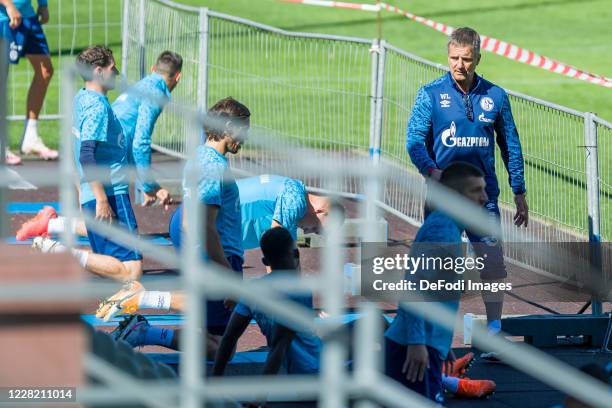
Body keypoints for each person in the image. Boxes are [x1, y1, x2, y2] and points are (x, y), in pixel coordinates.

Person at [406, 27, 528, 360]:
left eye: (467, 60)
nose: (459, 65)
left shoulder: (496, 97)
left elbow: (511, 145)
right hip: (443, 197)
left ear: (478, 58)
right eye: (454, 58)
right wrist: (433, 171)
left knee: (492, 263)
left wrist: (519, 189)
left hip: (482, 197)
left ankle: (493, 332)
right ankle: (434, 335)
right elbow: (414, 141)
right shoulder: (429, 94)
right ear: (448, 55)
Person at [99, 97, 251, 357]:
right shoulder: (213, 165)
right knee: (219, 347)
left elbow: (186, 222)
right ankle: (143, 320)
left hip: (210, 257)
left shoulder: (200, 158)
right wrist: (225, 271)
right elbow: (203, 225)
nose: (245, 137)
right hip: (220, 258)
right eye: (243, 129)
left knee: (215, 339)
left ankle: (143, 321)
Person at [16, 50, 183, 241]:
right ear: (178, 77)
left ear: (153, 69)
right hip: (105, 160)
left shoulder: (137, 87)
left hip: (89, 155)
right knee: (120, 239)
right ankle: (52, 227)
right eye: (113, 69)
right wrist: (148, 185)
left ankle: (52, 224)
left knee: (106, 229)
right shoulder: (155, 93)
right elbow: (139, 143)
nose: (116, 73)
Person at [28, 46, 142, 282]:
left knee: (114, 268)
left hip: (93, 192)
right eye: (113, 68)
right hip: (110, 194)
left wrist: (83, 194)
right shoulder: (97, 106)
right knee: (131, 271)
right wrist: (101, 199)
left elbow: (73, 151)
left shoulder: (80, 98)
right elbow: (87, 155)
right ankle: (57, 250)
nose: (117, 73)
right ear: (99, 71)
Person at [384, 162, 496, 402]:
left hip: (423, 343)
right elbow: (415, 287)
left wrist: (440, 345)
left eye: (484, 190)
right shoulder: (443, 232)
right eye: (476, 190)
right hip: (412, 347)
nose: (484, 198)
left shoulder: (448, 228)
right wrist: (416, 343)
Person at [213, 227, 321, 383]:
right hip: (315, 368)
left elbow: (229, 338)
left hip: (298, 370)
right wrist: (259, 397)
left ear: (265, 262)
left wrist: (214, 381)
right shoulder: (300, 290)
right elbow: (280, 344)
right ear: (296, 254)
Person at [169, 174, 341, 251]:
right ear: (322, 211)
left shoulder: (294, 200)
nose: (311, 232)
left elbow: (289, 261)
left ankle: (145, 297)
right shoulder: (294, 201)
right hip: (192, 228)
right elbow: (275, 253)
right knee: (220, 308)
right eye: (318, 229)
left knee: (226, 306)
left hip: (192, 224)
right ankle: (144, 298)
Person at [1, 0, 57, 164]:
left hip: (27, 16)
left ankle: (30, 138)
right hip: (4, 17)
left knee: (45, 71)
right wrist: (9, 5)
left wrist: (43, 3)